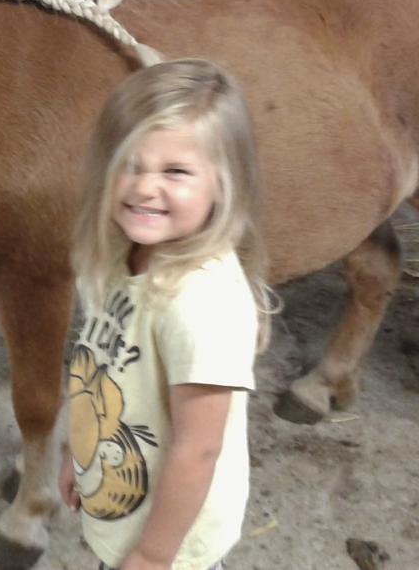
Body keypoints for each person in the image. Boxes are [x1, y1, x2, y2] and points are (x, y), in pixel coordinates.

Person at [60, 58, 274, 570]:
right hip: (122, 495)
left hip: (170, 546)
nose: (144, 187)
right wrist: (80, 453)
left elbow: (198, 451)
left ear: (224, 184)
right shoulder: (127, 254)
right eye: (130, 164)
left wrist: (153, 556)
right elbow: (105, 372)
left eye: (175, 172)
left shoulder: (201, 305)